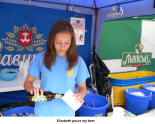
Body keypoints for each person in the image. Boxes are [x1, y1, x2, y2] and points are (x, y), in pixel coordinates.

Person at [24, 20, 90, 116]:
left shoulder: (78, 61)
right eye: (58, 42)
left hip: (67, 113)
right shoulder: (40, 58)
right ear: (52, 40)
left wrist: (80, 95)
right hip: (43, 112)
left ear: (72, 42)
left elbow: (82, 87)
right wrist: (33, 89)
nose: (63, 47)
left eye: (67, 42)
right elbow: (27, 83)